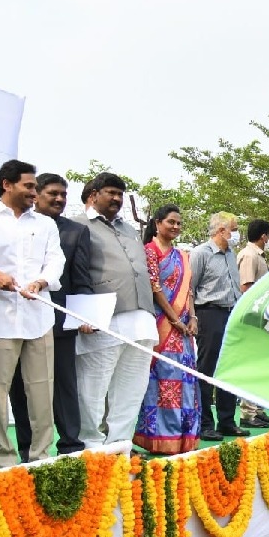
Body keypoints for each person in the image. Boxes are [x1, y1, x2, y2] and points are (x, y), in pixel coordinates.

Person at [72, 172, 158, 448]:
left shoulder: (129, 229)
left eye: (120, 194)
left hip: (142, 319)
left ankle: (120, 445)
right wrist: (80, 314)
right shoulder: (77, 225)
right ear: (93, 195)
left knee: (132, 388)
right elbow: (73, 273)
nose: (117, 198)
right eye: (111, 192)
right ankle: (91, 446)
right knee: (93, 387)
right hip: (101, 318)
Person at [9, 173, 90, 461]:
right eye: (52, 193)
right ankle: (26, 449)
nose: (59, 199)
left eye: (63, 194)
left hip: (59, 322)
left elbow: (81, 279)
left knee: (64, 385)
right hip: (15, 321)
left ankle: (70, 446)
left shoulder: (76, 231)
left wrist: (84, 315)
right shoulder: (12, 226)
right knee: (20, 388)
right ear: (36, 195)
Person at [0, 160, 64, 466]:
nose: (35, 192)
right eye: (29, 186)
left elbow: (56, 260)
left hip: (38, 319)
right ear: (7, 185)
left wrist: (41, 281)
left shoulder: (45, 224)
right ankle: (5, 459)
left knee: (42, 392)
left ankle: (40, 458)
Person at [132, 204, 201, 455]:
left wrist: (192, 318)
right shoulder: (149, 251)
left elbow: (188, 290)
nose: (175, 226)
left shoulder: (182, 255)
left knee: (185, 380)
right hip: (161, 324)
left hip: (184, 330)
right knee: (161, 380)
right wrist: (174, 320)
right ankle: (160, 438)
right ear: (157, 223)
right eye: (171, 222)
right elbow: (155, 288)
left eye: (179, 223)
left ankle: (183, 438)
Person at [190, 212, 248, 440]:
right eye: (234, 229)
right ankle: (205, 423)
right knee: (207, 369)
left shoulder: (231, 254)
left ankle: (227, 421)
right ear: (221, 231)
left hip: (231, 314)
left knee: (229, 368)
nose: (237, 233)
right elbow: (190, 288)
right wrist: (192, 318)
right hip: (209, 313)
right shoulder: (200, 253)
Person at [235, 219, 269, 428]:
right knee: (251, 366)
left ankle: (258, 410)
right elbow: (246, 287)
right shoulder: (249, 255)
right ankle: (248, 414)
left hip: (261, 318)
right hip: (251, 318)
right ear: (264, 236)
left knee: (262, 365)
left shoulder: (259, 256)